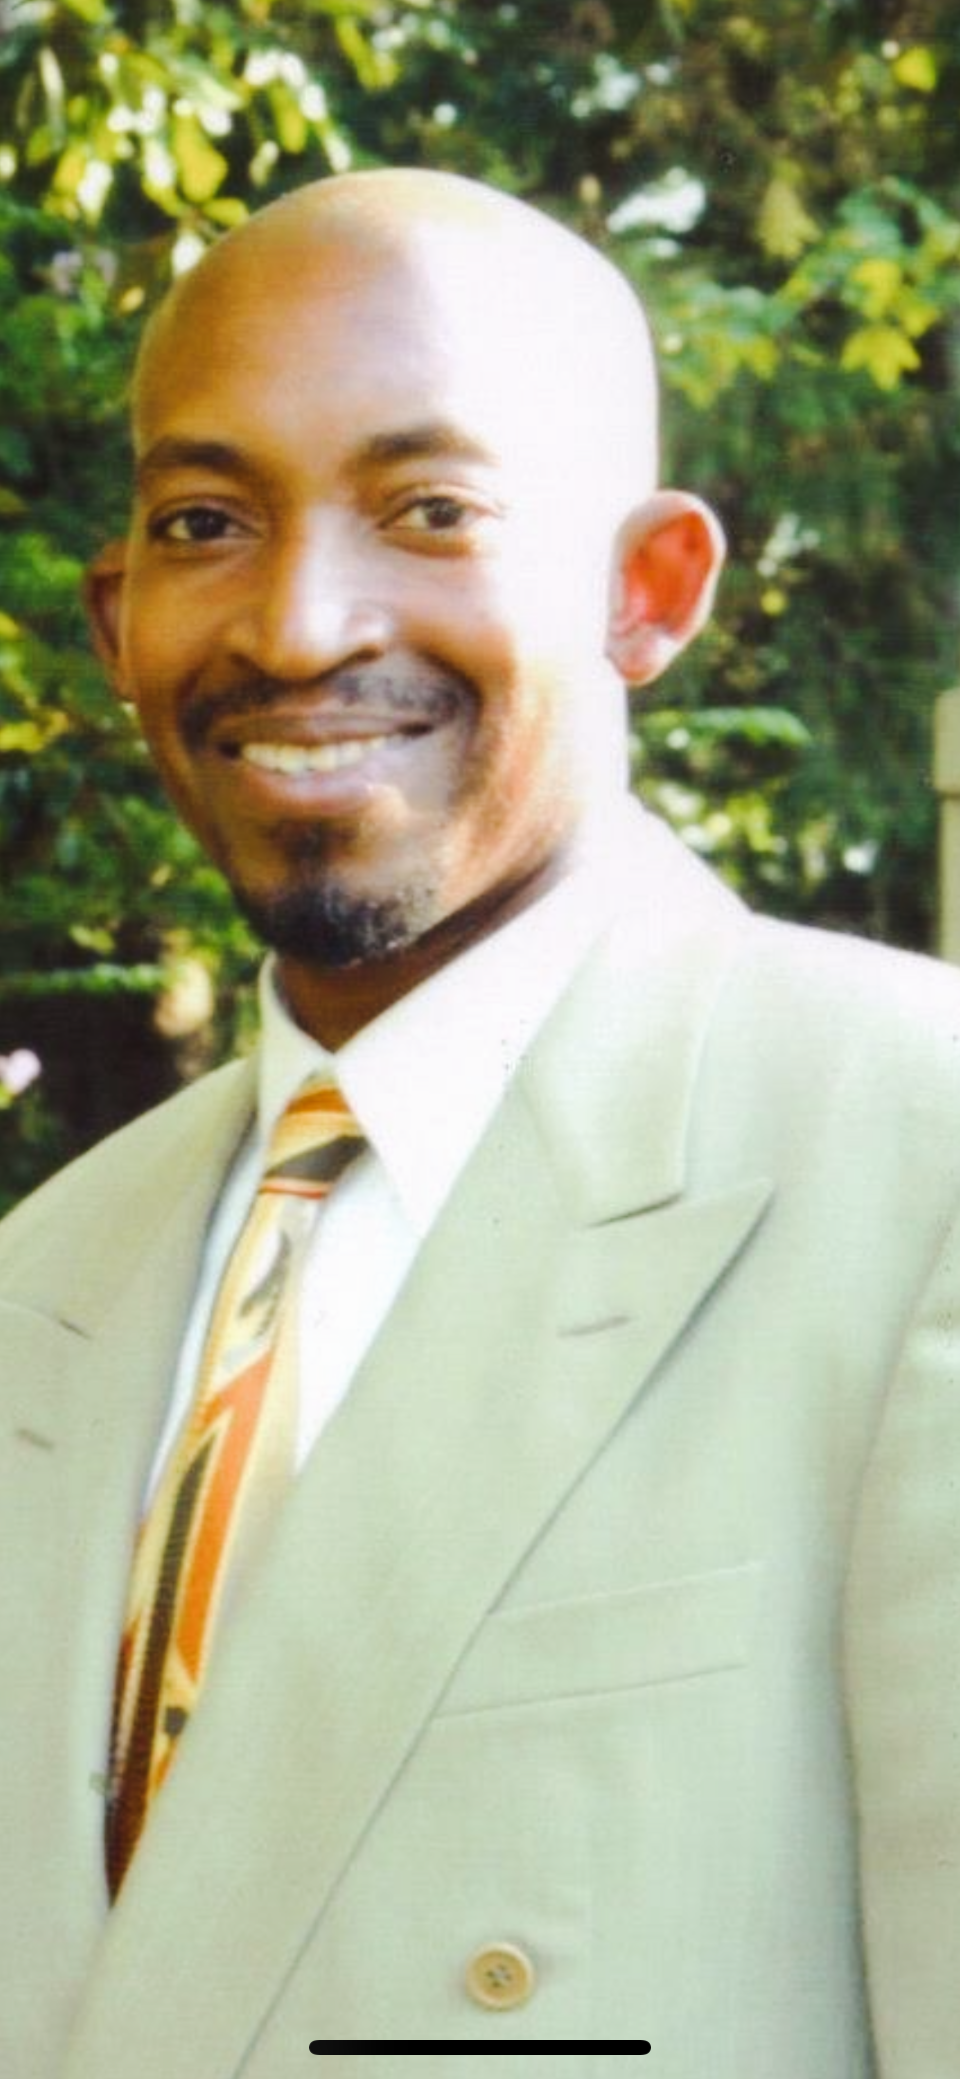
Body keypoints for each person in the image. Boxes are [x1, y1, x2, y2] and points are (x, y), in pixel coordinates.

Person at [0, 167, 958, 2079]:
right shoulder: (41, 1281)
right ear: (116, 618)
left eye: (430, 509)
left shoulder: (914, 1160)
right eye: (208, 521)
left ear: (647, 588)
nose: (297, 621)